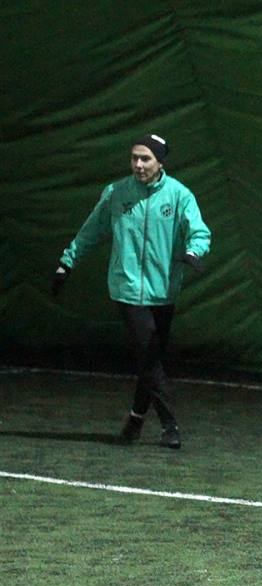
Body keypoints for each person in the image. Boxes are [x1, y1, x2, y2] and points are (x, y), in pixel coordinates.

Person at [52, 134, 211, 449]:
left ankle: (135, 421)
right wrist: (66, 263)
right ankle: (169, 425)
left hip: (163, 290)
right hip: (126, 289)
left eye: (145, 158)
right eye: (134, 158)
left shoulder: (179, 195)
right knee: (150, 355)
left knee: (151, 359)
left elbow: (199, 231)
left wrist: (194, 251)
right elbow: (91, 231)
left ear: (160, 162)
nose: (138, 164)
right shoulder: (116, 193)